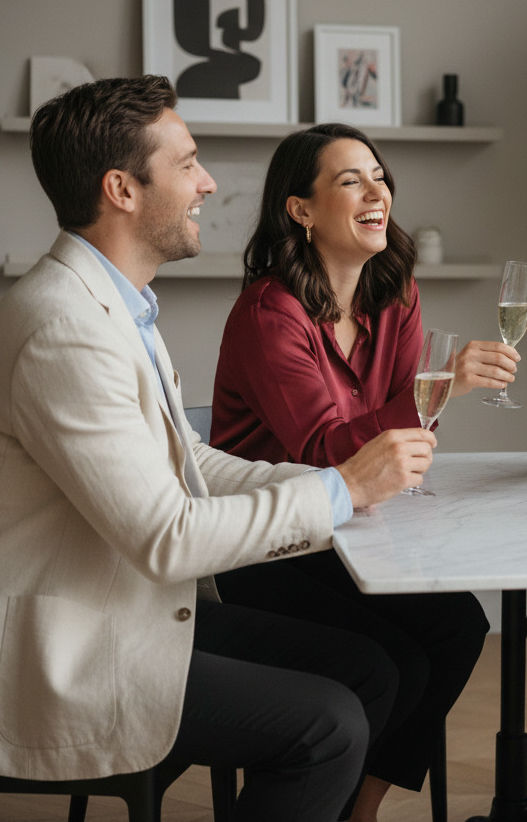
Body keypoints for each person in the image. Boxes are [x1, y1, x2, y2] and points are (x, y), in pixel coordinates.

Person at [0, 76, 436, 822]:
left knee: (370, 669)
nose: (208, 183)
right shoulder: (64, 330)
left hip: (123, 605)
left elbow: (189, 462)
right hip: (70, 646)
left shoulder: (115, 305)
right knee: (328, 726)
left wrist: (338, 482)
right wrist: (339, 491)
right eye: (187, 164)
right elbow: (168, 538)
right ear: (122, 189)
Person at [210, 123, 511, 819]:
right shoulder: (269, 312)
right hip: (272, 542)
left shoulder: (394, 292)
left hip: (358, 530)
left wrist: (427, 400)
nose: (378, 191)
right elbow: (322, 448)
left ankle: (359, 805)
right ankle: (313, 794)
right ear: (302, 210)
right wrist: (439, 384)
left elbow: (410, 432)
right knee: (395, 659)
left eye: (379, 176)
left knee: (460, 626)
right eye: (351, 180)